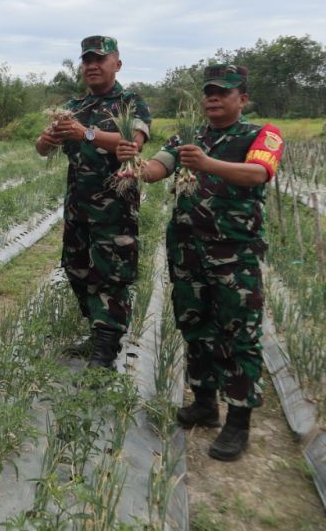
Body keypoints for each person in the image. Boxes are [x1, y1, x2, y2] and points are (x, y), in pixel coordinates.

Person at [116, 64, 282, 461]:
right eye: (209, 91)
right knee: (195, 324)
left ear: (242, 98)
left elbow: (259, 173)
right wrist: (135, 163)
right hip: (188, 252)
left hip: (233, 254)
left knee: (238, 333)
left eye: (223, 92)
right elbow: (159, 169)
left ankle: (238, 422)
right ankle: (205, 402)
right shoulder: (187, 136)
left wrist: (207, 164)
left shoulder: (260, 134)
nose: (213, 98)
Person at [35, 35, 152, 370]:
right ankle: (96, 331)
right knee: (77, 269)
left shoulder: (130, 103)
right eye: (87, 60)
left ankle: (106, 347)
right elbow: (43, 149)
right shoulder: (73, 107)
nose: (92, 66)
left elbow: (133, 142)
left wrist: (85, 133)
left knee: (110, 275)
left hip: (115, 208)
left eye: (100, 59)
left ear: (117, 63)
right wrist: (46, 140)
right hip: (77, 206)